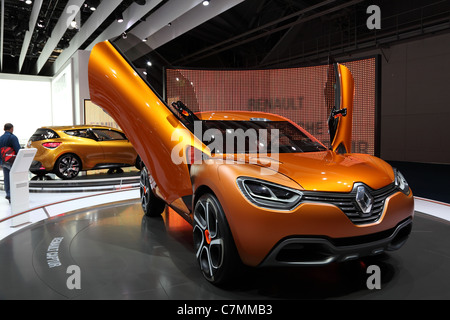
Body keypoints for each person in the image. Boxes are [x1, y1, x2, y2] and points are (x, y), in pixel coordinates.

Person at [0, 123, 21, 203]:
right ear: (11, 129)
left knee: (7, 178)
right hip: (12, 161)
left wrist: (1, 161)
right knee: (15, 178)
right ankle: (15, 195)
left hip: (4, 161)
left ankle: (8, 194)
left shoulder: (0, 138)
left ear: (4, 129)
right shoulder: (13, 137)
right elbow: (18, 149)